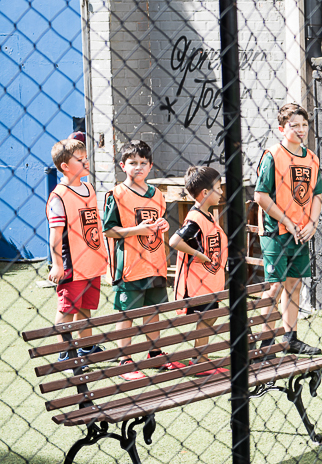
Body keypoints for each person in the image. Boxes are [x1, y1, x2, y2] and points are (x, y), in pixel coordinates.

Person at [254, 103, 322, 356]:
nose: (301, 129)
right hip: (276, 231)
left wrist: (312, 225)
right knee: (275, 285)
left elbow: (317, 195)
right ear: (282, 128)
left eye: (304, 125)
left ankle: (290, 338)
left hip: (302, 232)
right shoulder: (272, 155)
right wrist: (288, 221)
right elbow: (261, 196)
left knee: (295, 284)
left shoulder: (312, 158)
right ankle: (263, 342)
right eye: (294, 125)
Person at [103, 139, 171, 380]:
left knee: (154, 311)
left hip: (155, 263)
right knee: (127, 313)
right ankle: (125, 359)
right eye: (133, 163)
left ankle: (155, 354)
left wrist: (163, 224)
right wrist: (136, 231)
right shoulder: (116, 195)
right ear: (123, 165)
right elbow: (108, 230)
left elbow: (158, 222)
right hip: (129, 266)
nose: (138, 167)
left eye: (143, 163)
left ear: (150, 166)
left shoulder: (157, 195)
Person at [46, 138, 108, 362]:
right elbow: (55, 234)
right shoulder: (59, 195)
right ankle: (65, 352)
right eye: (80, 159)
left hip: (91, 261)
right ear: (64, 166)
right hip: (72, 265)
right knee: (67, 310)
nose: (86, 162)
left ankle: (86, 347)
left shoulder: (88, 187)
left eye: (86, 157)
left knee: (86, 307)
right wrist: (57, 264)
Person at [168, 165, 229, 375]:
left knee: (210, 318)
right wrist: (200, 255)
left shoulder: (207, 215)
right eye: (218, 188)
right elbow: (175, 241)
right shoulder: (195, 218)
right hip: (198, 283)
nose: (221, 192)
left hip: (209, 281)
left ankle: (199, 356)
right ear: (205, 193)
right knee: (206, 319)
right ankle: (200, 360)